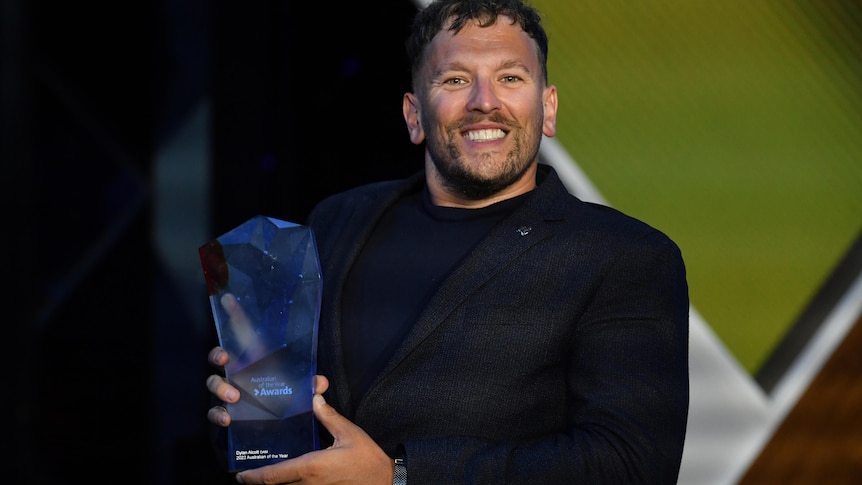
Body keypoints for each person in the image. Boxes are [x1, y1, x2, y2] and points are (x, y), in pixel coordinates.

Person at [206, 0, 690, 483]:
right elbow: (288, 409)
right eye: (455, 79)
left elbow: (632, 464)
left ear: (548, 108)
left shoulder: (626, 257)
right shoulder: (338, 219)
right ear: (413, 115)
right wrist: (248, 410)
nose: (484, 100)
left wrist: (399, 476)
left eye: (511, 78)